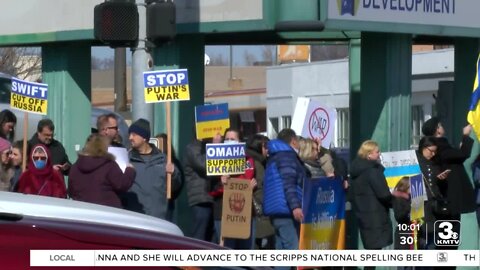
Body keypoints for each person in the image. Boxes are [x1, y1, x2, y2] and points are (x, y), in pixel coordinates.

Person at [421, 117, 476, 254]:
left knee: (448, 240)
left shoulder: (441, 146)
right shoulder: (440, 146)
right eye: (439, 125)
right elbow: (463, 154)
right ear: (437, 131)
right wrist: (466, 135)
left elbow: (456, 156)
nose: (442, 126)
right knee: (448, 242)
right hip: (448, 199)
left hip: (447, 199)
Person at [121, 118, 181, 220]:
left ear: (144, 137)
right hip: (134, 217)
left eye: (134, 134)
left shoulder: (163, 160)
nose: (130, 137)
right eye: (130, 134)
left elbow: (175, 186)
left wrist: (173, 173)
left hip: (158, 218)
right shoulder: (126, 158)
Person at [263, 128, 307, 253]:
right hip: (286, 210)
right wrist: (295, 206)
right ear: (293, 141)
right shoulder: (287, 156)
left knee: (282, 251)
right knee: (291, 250)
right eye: (298, 141)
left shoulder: (276, 155)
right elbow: (289, 183)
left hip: (277, 210)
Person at [213, 128, 257, 249]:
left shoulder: (249, 160)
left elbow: (252, 181)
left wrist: (251, 186)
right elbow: (209, 187)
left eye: (233, 139)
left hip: (244, 213)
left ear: (240, 142)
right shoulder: (215, 159)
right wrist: (220, 183)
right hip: (222, 212)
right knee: (227, 255)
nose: (229, 142)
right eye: (226, 139)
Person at [68, 134, 136, 208]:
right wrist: (130, 170)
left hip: (83, 212)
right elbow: (122, 184)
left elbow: (71, 192)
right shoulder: (108, 165)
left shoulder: (75, 167)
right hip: (107, 211)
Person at [349, 140, 393, 252]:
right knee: (374, 252)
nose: (379, 154)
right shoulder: (373, 171)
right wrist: (396, 201)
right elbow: (384, 194)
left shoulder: (356, 171)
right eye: (377, 152)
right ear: (369, 154)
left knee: (371, 251)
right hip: (376, 216)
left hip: (363, 215)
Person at [183, 134, 219, 241]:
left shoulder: (208, 145)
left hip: (214, 198)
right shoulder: (192, 148)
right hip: (201, 198)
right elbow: (204, 165)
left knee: (212, 237)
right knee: (199, 236)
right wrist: (215, 146)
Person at [416, 136, 446, 251]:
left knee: (431, 244)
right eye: (431, 151)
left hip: (433, 209)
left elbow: (434, 186)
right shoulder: (415, 162)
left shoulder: (433, 164)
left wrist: (440, 179)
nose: (433, 154)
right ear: (423, 148)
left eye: (435, 151)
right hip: (420, 208)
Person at [246, 134, 275, 249]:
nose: (268, 150)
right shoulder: (258, 164)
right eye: (265, 146)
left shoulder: (251, 160)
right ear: (259, 146)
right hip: (259, 213)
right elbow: (260, 189)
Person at [392, 177, 412, 251]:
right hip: (403, 232)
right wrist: (409, 208)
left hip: (412, 231)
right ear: (405, 187)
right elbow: (399, 216)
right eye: (411, 187)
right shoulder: (398, 199)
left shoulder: (411, 199)